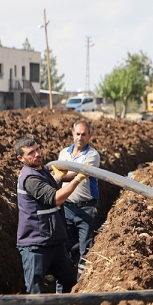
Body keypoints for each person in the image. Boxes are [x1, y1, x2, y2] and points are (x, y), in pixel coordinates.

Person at [15, 136, 81, 305]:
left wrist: (63, 176)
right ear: (21, 158)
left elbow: (53, 182)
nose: (37, 154)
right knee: (35, 290)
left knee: (70, 281)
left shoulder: (42, 170)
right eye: (31, 153)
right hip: (35, 244)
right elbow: (55, 198)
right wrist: (78, 180)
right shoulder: (30, 178)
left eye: (37, 149)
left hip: (53, 240)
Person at [56, 120, 101, 280]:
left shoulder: (92, 155)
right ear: (72, 134)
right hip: (67, 208)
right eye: (77, 134)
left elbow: (79, 173)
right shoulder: (63, 154)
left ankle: (81, 287)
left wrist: (61, 175)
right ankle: (65, 281)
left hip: (87, 209)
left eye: (84, 134)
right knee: (63, 245)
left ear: (89, 136)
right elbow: (58, 174)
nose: (80, 137)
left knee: (86, 249)